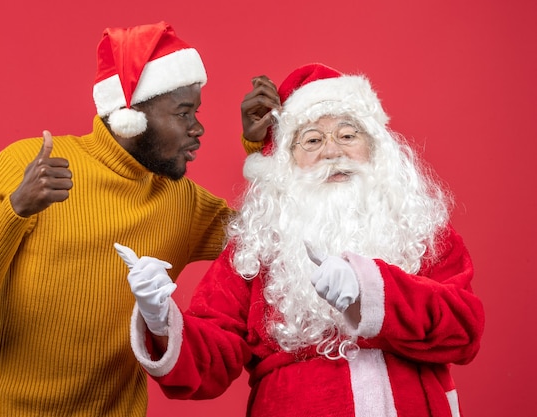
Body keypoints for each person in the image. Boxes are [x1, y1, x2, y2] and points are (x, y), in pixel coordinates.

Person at [0, 21, 264, 417]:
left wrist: (262, 147)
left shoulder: (181, 200)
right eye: (183, 112)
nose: (199, 128)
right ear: (131, 116)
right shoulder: (30, 166)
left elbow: (269, 237)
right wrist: (15, 210)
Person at [118, 63, 486, 417]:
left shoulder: (419, 230)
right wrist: (161, 319)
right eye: (312, 140)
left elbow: (464, 331)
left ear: (374, 147)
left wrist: (373, 291)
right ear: (288, 161)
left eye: (347, 134)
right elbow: (212, 360)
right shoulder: (257, 246)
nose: (332, 151)